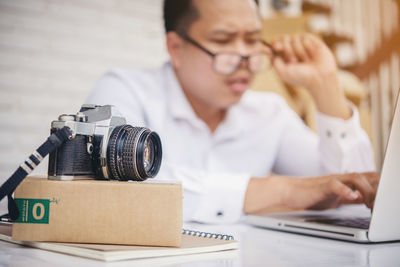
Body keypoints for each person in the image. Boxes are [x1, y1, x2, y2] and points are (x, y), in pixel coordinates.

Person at [86, 0, 378, 223]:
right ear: (176, 48)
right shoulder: (124, 92)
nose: (244, 58)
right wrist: (282, 191)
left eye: (252, 40)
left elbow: (352, 194)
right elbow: (110, 190)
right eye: (223, 41)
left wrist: (325, 86)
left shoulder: (269, 112)